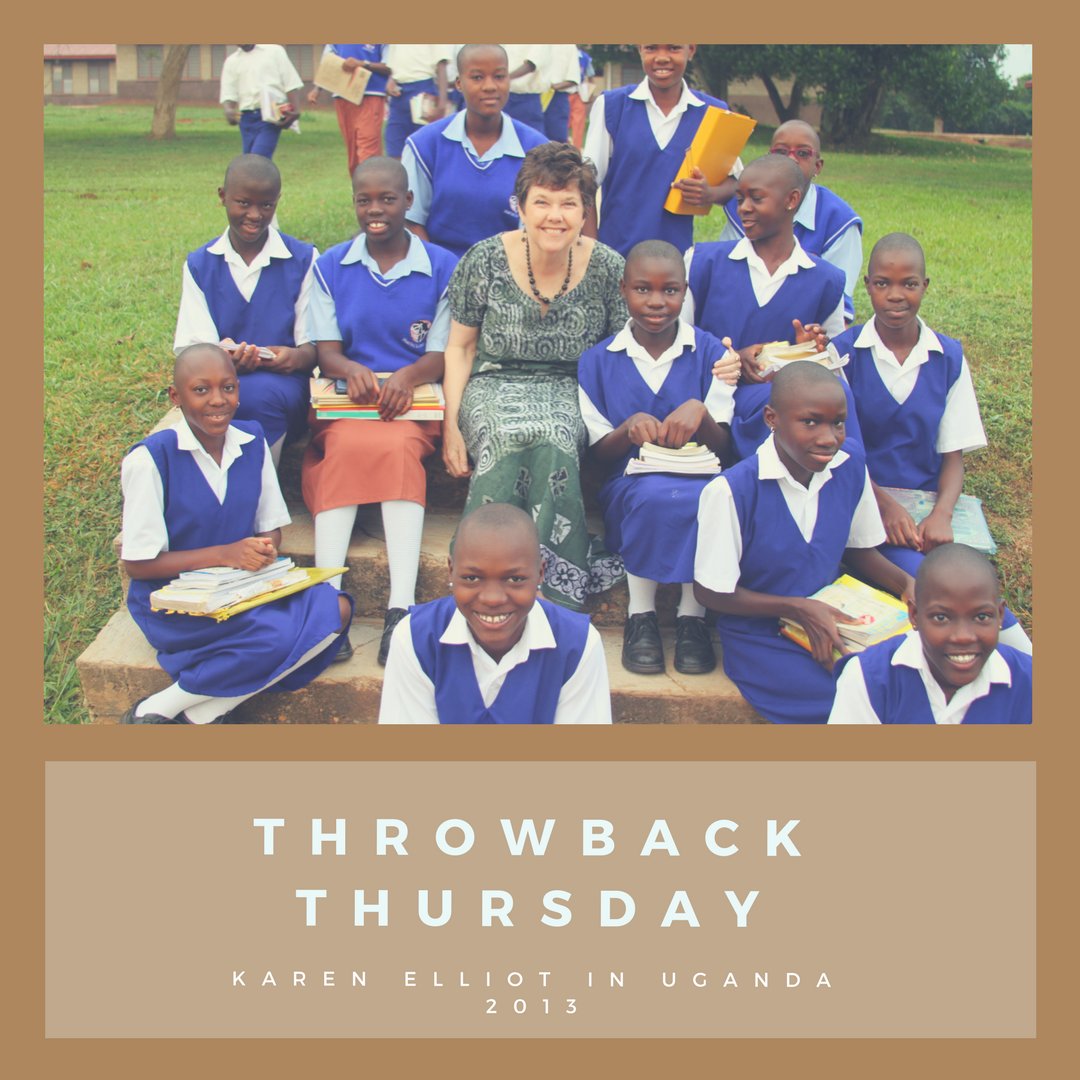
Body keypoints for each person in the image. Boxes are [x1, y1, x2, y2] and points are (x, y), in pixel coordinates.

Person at [120, 344, 351, 725]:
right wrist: (225, 554)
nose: (217, 400)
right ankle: (159, 707)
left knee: (337, 609)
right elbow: (138, 564)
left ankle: (206, 713)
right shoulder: (151, 460)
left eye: (228, 388)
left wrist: (263, 549)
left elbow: (269, 527)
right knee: (274, 639)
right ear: (176, 397)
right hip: (176, 601)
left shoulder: (251, 439)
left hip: (241, 587)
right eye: (201, 390)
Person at [442, 142, 628, 611]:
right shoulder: (483, 259)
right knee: (507, 435)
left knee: (555, 437)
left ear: (586, 211)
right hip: (492, 381)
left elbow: (628, 351)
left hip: (570, 388)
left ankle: (553, 586)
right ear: (520, 206)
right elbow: (460, 347)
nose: (555, 215)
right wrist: (450, 428)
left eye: (569, 203)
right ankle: (483, 567)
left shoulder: (608, 268)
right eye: (542, 202)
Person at [831, 232, 1032, 653]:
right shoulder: (843, 355)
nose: (896, 295)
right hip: (859, 503)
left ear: (926, 286)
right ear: (866, 285)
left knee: (966, 577)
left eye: (909, 283)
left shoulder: (948, 358)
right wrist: (883, 505)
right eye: (883, 283)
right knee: (940, 584)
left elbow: (952, 457)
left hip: (923, 519)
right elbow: (836, 451)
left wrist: (941, 514)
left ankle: (1024, 665)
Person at [693, 362, 914, 724]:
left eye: (837, 423)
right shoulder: (732, 491)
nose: (828, 438)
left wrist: (905, 584)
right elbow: (711, 593)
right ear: (772, 418)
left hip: (833, 617)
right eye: (810, 422)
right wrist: (797, 609)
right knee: (847, 700)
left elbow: (858, 549)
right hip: (762, 636)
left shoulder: (849, 464)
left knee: (899, 680)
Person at [303, 157, 457, 665]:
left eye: (387, 199)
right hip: (351, 404)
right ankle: (328, 605)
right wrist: (349, 369)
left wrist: (410, 377)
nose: (375, 210)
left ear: (408, 202)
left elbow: (440, 352)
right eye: (363, 200)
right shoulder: (331, 265)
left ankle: (402, 607)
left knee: (395, 451)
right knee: (345, 448)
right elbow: (325, 350)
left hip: (412, 406)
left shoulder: (440, 267)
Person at [578, 240, 736, 675]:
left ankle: (692, 617)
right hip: (629, 485)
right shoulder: (597, 361)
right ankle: (641, 614)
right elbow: (595, 455)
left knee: (703, 500)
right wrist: (627, 431)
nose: (656, 302)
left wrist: (700, 414)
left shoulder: (711, 356)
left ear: (685, 292)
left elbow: (724, 446)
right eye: (643, 289)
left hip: (701, 478)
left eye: (670, 291)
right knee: (652, 497)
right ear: (623, 288)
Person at [683, 153, 860, 462]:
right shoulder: (702, 262)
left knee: (834, 399)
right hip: (709, 396)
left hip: (783, 409)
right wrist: (734, 358)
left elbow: (833, 368)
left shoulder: (826, 280)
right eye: (740, 199)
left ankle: (857, 485)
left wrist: (811, 352)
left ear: (792, 199)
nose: (744, 209)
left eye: (756, 198)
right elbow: (677, 341)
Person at [378, 504, 612, 724]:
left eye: (515, 579)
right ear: (451, 571)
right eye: (472, 578)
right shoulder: (415, 637)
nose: (492, 598)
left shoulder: (577, 644)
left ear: (541, 573)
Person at [174, 154, 317, 466]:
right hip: (218, 380)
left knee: (259, 395)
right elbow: (192, 347)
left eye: (266, 205)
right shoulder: (201, 264)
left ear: (277, 202)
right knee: (214, 395)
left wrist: (291, 357)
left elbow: (311, 346)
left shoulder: (303, 259)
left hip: (282, 383)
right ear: (223, 197)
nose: (254, 215)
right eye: (243, 203)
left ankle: (260, 488)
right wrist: (227, 363)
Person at [829, 544, 1032, 724]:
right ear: (915, 615)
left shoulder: (1028, 682)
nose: (963, 637)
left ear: (1000, 615)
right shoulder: (868, 678)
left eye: (981, 617)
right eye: (941, 618)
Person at [582, 43, 740, 257]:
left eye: (674, 48)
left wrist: (710, 193)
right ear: (640, 50)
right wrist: (593, 253)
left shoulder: (713, 113)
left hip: (675, 260)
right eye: (651, 48)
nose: (662, 57)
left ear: (691, 50)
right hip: (616, 255)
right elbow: (586, 184)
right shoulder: (612, 106)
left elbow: (734, 183)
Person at [402, 44, 548, 258]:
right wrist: (442, 273)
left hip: (513, 274)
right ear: (459, 84)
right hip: (442, 275)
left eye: (499, 76)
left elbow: (542, 229)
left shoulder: (537, 149)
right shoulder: (424, 146)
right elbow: (410, 221)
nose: (490, 86)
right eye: (477, 77)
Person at [721, 121, 863, 323]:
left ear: (818, 166)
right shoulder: (745, 209)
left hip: (803, 331)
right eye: (781, 151)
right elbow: (724, 277)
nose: (791, 159)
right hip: (740, 319)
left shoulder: (839, 223)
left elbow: (837, 308)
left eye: (803, 154)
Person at [307, 44, 390, 176]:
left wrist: (363, 64)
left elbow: (389, 66)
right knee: (353, 154)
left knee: (367, 150)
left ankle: (372, 185)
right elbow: (328, 62)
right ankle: (359, 191)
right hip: (343, 95)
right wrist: (317, 89)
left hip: (370, 94)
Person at [219, 44, 303, 159]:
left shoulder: (274, 52)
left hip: (270, 116)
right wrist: (229, 110)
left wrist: (297, 110)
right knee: (248, 163)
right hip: (246, 119)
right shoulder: (231, 61)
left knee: (257, 159)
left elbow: (291, 83)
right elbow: (229, 94)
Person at [383, 45, 453, 158]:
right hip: (399, 92)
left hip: (423, 89)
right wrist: (391, 80)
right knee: (395, 145)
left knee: (424, 145)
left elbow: (441, 66)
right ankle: (398, 174)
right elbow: (394, 66)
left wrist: (442, 102)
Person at [502, 44, 550, 133]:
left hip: (526, 100)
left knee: (531, 141)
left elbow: (531, 64)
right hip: (501, 96)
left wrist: (504, 78)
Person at [543, 44, 580, 142]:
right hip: (531, 96)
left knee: (557, 141)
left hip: (557, 98)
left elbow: (573, 79)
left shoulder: (568, 46)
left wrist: (551, 87)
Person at [568, 49, 597, 148]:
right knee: (561, 124)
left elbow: (590, 76)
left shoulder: (584, 57)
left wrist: (590, 93)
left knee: (578, 124)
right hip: (561, 94)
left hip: (578, 94)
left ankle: (576, 150)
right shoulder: (560, 54)